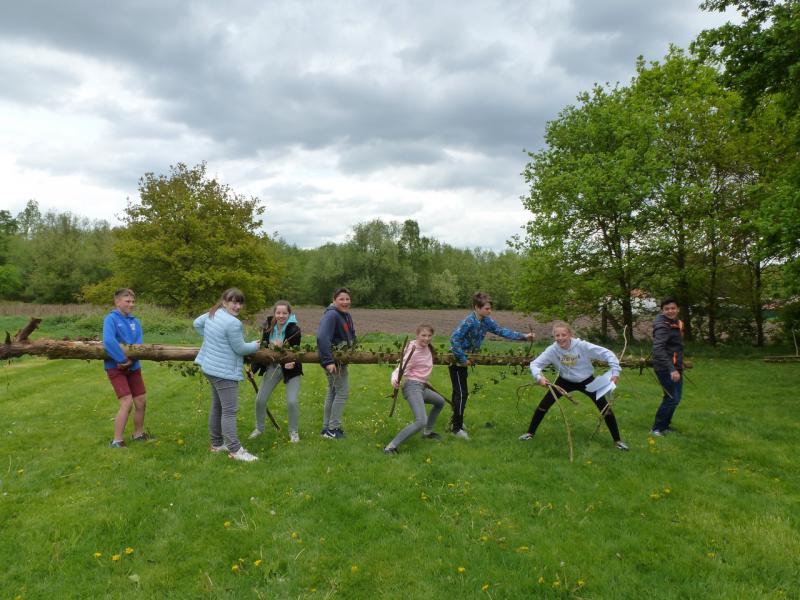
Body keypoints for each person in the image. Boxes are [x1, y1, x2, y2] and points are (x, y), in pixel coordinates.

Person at [522, 321, 629, 451]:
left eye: (563, 335)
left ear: (570, 335)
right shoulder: (552, 350)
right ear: (554, 337)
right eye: (557, 335)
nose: (560, 338)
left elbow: (608, 354)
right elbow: (535, 364)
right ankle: (530, 433)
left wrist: (615, 372)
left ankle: (617, 441)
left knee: (605, 408)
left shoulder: (582, 346)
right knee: (544, 405)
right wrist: (539, 377)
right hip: (564, 381)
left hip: (587, 381)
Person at [449, 292, 534, 439]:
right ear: (477, 307)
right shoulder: (468, 322)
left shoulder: (486, 321)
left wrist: (523, 336)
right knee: (462, 393)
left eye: (490, 308)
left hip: (467, 359)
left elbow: (501, 331)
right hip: (456, 360)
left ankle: (455, 421)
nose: (490, 311)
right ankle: (456, 428)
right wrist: (462, 358)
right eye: (487, 308)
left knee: (459, 393)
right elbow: (454, 339)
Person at [194, 288, 260, 462]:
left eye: (240, 302)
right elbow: (240, 348)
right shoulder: (233, 323)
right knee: (229, 410)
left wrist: (211, 339)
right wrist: (255, 345)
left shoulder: (213, 313)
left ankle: (216, 444)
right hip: (224, 372)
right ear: (224, 302)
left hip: (210, 368)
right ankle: (235, 450)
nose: (237, 306)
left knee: (218, 407)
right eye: (233, 302)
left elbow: (196, 324)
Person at [383, 324, 446, 454]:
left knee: (440, 402)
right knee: (421, 420)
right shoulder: (413, 351)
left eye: (429, 336)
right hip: (412, 387)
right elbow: (401, 367)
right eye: (423, 335)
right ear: (417, 335)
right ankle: (390, 447)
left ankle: (427, 433)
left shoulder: (427, 348)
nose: (426, 338)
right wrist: (394, 379)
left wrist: (424, 379)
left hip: (421, 386)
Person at [103, 288, 151, 448]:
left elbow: (138, 344)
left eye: (133, 301)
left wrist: (130, 360)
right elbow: (109, 341)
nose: (131, 304)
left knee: (141, 401)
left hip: (134, 366)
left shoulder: (135, 321)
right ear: (117, 302)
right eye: (127, 301)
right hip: (115, 367)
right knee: (127, 402)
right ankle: (117, 440)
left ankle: (138, 434)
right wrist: (121, 359)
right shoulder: (110, 319)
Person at [249, 300, 303, 443]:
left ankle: (294, 432)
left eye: (284, 313)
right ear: (274, 313)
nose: (281, 316)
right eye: (278, 313)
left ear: (289, 314)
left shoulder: (294, 329)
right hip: (273, 368)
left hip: (291, 369)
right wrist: (253, 369)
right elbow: (262, 350)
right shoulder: (268, 327)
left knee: (292, 401)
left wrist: (289, 360)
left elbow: (294, 350)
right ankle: (259, 429)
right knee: (260, 400)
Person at [316, 287, 356, 439]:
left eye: (347, 299)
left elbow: (351, 334)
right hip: (334, 362)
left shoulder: (345, 315)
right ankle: (333, 429)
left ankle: (327, 428)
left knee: (332, 392)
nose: (345, 302)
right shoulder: (332, 315)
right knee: (342, 392)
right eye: (341, 299)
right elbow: (322, 337)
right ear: (334, 300)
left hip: (340, 360)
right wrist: (328, 361)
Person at [650, 297, 685, 437]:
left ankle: (664, 426)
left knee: (674, 399)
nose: (670, 311)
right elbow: (658, 349)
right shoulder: (663, 326)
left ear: (677, 309)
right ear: (662, 310)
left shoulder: (675, 323)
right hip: (665, 368)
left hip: (675, 366)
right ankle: (656, 429)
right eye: (667, 309)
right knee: (672, 398)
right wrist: (672, 369)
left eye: (673, 308)